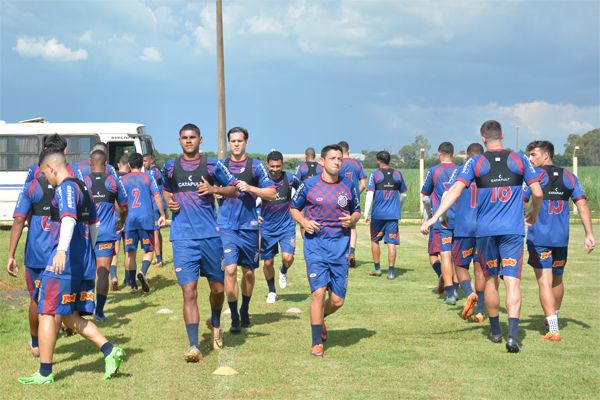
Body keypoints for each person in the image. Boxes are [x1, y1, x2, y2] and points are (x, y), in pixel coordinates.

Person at [422, 120, 543, 353]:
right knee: (512, 282)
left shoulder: (476, 162)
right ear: (503, 135)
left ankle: (496, 330)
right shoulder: (519, 159)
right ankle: (513, 335)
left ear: (483, 138)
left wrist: (434, 217)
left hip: (485, 232)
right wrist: (533, 213)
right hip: (513, 232)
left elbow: (454, 191)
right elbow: (537, 192)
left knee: (490, 281)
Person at [18, 148, 124, 384]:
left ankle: (44, 372)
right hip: (84, 261)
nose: (45, 179)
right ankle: (109, 350)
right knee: (68, 316)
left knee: (46, 312)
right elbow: (94, 225)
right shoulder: (83, 186)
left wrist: (63, 251)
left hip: (63, 262)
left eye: (45, 175)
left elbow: (67, 218)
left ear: (51, 168)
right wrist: (88, 253)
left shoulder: (66, 187)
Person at [162, 123, 237, 361]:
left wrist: (214, 188)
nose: (188, 141)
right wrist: (170, 203)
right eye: (184, 137)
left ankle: (215, 324)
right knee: (189, 291)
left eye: (192, 137)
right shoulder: (170, 167)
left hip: (211, 237)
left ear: (200, 140)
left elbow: (234, 189)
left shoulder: (213, 164)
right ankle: (194, 346)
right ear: (179, 140)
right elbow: (166, 190)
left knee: (218, 289)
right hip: (183, 237)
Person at [290, 144, 361, 357]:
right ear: (322, 161)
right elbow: (293, 208)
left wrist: (352, 219)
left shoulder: (349, 185)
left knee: (338, 301)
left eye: (339, 158)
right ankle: (316, 343)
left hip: (340, 248)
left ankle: (320, 318)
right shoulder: (309, 185)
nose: (337, 162)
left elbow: (356, 210)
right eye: (332, 158)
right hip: (316, 247)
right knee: (318, 294)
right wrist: (303, 221)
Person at [525, 140, 596, 341]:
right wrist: (589, 233)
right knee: (557, 278)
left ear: (546, 155)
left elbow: (519, 201)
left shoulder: (535, 177)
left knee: (544, 282)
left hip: (539, 238)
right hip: (561, 239)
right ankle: (553, 315)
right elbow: (582, 204)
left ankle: (554, 328)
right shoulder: (569, 177)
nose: (531, 159)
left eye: (533, 155)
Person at [219, 127, 276, 333]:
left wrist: (250, 188)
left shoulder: (256, 166)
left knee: (249, 273)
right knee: (230, 270)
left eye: (239, 140)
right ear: (228, 143)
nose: (236, 144)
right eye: (232, 140)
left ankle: (244, 309)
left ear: (246, 142)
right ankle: (234, 315)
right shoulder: (221, 166)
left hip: (250, 228)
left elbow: (271, 193)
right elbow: (210, 188)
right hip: (226, 227)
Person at [84, 150, 128, 320]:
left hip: (87, 233)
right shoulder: (112, 181)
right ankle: (99, 313)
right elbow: (124, 206)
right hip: (106, 233)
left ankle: (82, 308)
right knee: (103, 272)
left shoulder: (84, 182)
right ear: (106, 163)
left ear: (90, 163)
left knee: (86, 272)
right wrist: (121, 221)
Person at [446, 143, 486, 321]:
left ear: (469, 155)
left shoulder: (461, 170)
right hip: (484, 227)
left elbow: (450, 192)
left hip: (464, 226)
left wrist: (442, 216)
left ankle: (469, 293)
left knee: (460, 265)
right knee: (480, 269)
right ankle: (480, 310)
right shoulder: (489, 171)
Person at [421, 142, 460, 304]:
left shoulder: (434, 171)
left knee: (441, 255)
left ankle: (450, 292)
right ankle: (457, 288)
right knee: (456, 257)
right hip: (460, 220)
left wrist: (428, 218)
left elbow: (425, 196)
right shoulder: (461, 170)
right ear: (453, 153)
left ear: (439, 153)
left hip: (441, 220)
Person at [121, 153, 166, 293]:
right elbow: (157, 196)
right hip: (146, 219)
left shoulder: (123, 179)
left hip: (129, 220)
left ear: (129, 165)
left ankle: (133, 285)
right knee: (148, 250)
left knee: (131, 253)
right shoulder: (148, 177)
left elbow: (119, 201)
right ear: (142, 165)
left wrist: (119, 218)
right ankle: (143, 272)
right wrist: (163, 214)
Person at [362, 150, 407, 280]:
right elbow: (404, 194)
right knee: (391, 242)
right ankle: (391, 272)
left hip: (378, 215)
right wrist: (399, 207)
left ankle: (377, 269)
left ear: (378, 161)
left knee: (375, 240)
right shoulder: (398, 174)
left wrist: (366, 213)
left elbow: (370, 193)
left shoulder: (375, 174)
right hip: (393, 215)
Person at [259, 151, 297, 303]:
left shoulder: (291, 178)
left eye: (278, 166)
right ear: (267, 164)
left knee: (287, 258)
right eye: (272, 166)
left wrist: (298, 210)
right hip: (267, 228)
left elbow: (304, 192)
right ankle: (271, 291)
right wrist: (255, 214)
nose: (275, 169)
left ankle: (284, 270)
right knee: (268, 262)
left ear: (282, 164)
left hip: (286, 226)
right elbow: (249, 196)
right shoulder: (261, 180)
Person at [338, 141, 366, 268]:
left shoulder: (337, 163)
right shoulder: (357, 163)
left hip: (339, 199)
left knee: (338, 226)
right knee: (353, 227)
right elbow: (363, 184)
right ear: (348, 149)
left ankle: (340, 254)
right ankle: (352, 252)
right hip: (354, 200)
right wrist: (355, 195)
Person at [111, 154, 131, 290]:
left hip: (115, 217)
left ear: (119, 165)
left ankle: (113, 276)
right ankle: (128, 280)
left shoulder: (113, 178)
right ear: (129, 166)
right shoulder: (132, 178)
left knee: (115, 250)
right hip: (128, 217)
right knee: (128, 250)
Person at [144, 153, 166, 268]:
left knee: (155, 233)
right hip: (158, 205)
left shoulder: (152, 172)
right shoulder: (157, 170)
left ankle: (159, 260)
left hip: (154, 206)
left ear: (150, 161)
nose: (143, 163)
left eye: (145, 161)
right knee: (157, 232)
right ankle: (159, 256)